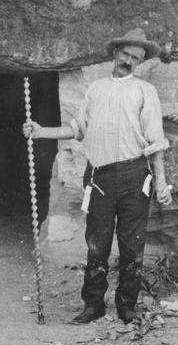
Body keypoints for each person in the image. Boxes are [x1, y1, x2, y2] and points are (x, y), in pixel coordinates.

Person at [23, 28, 173, 325]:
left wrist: (161, 182)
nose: (129, 61)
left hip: (134, 175)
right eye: (126, 54)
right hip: (100, 177)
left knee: (132, 245)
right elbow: (77, 128)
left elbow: (156, 142)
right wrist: (41, 132)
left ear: (141, 62)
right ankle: (93, 304)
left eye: (136, 58)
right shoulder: (96, 89)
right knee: (97, 244)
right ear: (115, 53)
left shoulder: (145, 91)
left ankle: (127, 306)